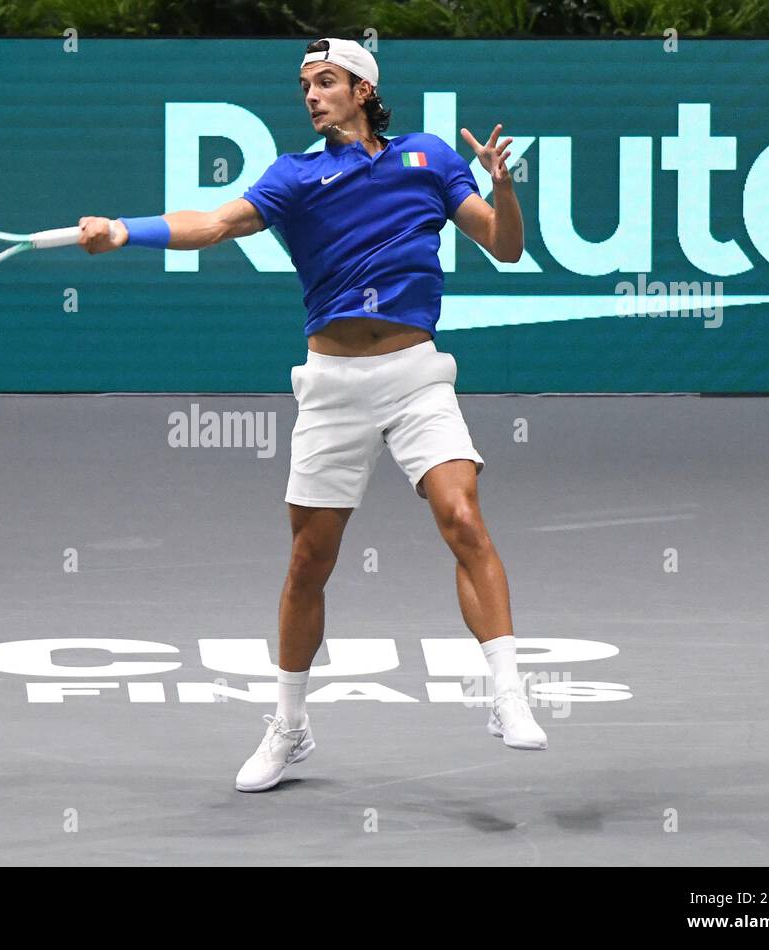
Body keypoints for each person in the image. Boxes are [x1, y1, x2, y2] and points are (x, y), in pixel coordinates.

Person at [77, 37, 546, 794]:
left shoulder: (428, 159)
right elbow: (216, 223)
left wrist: (504, 188)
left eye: (325, 81)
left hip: (417, 376)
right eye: (304, 85)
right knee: (308, 564)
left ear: (363, 89)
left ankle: (508, 694)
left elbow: (506, 247)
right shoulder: (295, 176)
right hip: (332, 385)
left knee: (463, 518)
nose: (311, 95)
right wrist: (128, 230)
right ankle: (290, 726)